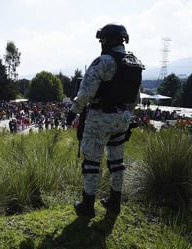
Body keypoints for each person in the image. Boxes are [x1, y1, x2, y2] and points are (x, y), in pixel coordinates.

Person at [66, 23, 144, 218]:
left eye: (102, 39)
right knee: (117, 162)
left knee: (91, 162)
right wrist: (122, 113)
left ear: (107, 40)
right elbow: (136, 98)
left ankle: (87, 204)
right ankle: (114, 203)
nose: (101, 43)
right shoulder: (135, 63)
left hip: (100, 118)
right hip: (123, 118)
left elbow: (86, 92)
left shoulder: (104, 61)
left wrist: (73, 110)